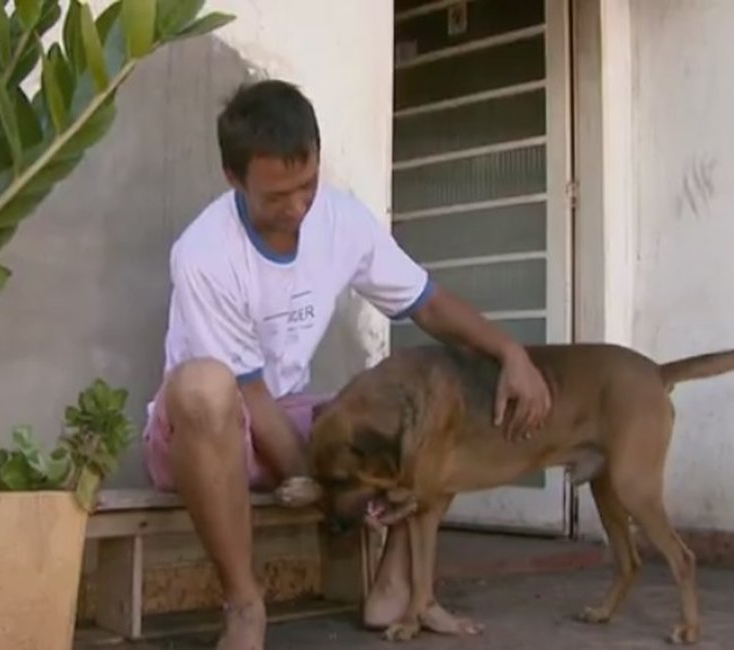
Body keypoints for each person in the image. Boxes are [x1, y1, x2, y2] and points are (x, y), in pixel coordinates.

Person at [142, 78, 552, 650]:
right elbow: (249, 397)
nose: (297, 207)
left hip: (290, 416)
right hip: (208, 437)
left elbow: (427, 303)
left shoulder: (340, 219)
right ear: (234, 179)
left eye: (306, 186)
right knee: (205, 387)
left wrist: (512, 352)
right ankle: (244, 605)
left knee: (425, 398)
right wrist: (324, 483)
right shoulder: (204, 252)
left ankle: (398, 589)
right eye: (275, 196)